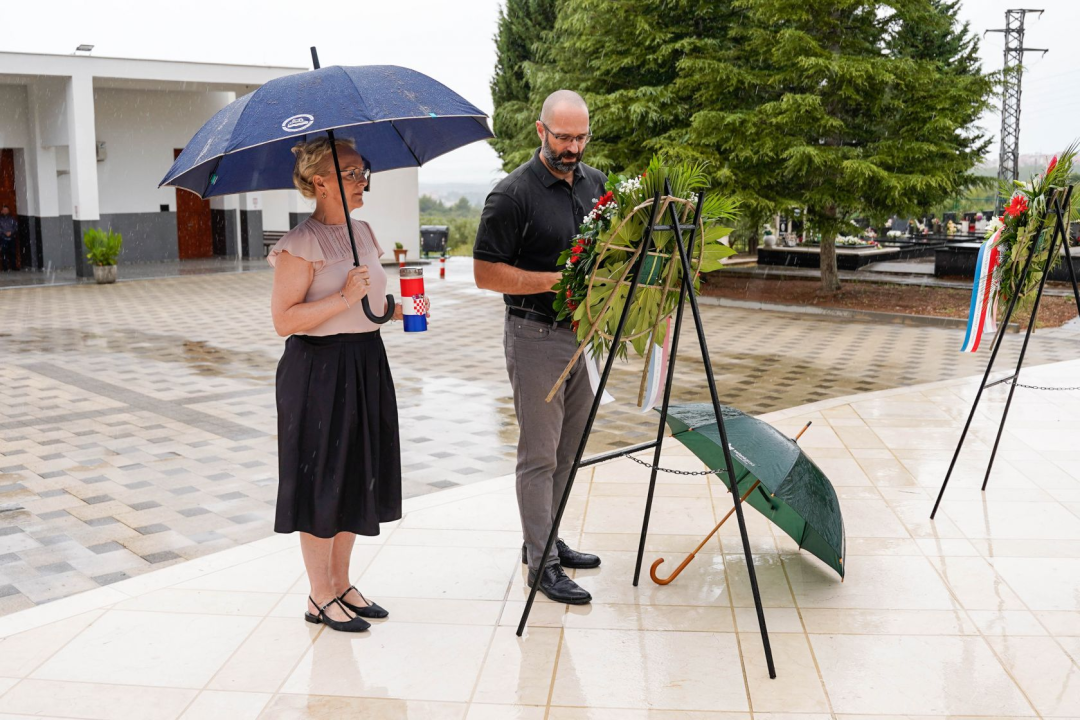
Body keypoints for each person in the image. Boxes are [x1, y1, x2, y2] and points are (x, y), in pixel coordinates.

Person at [473, 90, 606, 605]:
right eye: (563, 137)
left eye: (581, 137)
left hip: (585, 335)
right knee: (539, 455)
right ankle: (541, 565)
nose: (573, 148)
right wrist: (556, 281)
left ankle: (547, 538)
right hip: (534, 336)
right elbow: (485, 274)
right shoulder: (511, 195)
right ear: (540, 130)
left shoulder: (596, 184)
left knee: (569, 450)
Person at [269, 137, 402, 633]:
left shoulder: (363, 232)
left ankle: (342, 583)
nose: (362, 179)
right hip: (317, 370)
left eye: (363, 169)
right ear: (319, 182)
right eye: (350, 172)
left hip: (366, 361)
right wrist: (344, 298)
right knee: (321, 479)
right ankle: (318, 594)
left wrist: (392, 311)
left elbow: (369, 302)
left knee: (356, 473)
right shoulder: (298, 244)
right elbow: (284, 321)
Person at [0, 205, 17, 272]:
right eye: (4, 210)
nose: (5, 211)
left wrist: (11, 232)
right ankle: (5, 267)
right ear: (1, 211)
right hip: (3, 238)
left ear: (8, 211)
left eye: (6, 210)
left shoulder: (12, 219)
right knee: (4, 253)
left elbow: (15, 227)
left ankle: (13, 266)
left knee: (13, 252)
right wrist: (4, 232)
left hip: (12, 238)